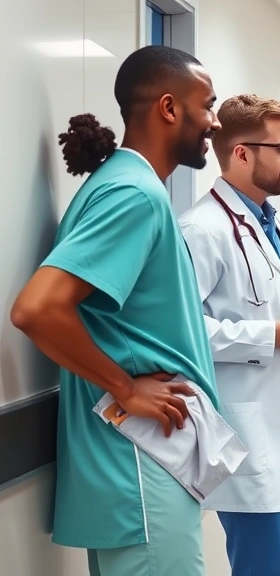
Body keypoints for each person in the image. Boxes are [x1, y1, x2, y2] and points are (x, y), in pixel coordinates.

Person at [9, 45, 221, 576]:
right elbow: (37, 308)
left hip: (132, 467)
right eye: (208, 105)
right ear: (169, 108)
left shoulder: (118, 186)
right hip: (142, 464)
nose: (215, 121)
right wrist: (125, 388)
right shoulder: (134, 194)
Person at [178, 94, 280, 576]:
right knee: (264, 565)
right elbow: (182, 333)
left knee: (279, 563)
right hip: (247, 424)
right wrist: (271, 336)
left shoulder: (274, 223)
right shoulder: (201, 230)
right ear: (242, 153)